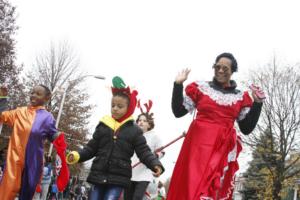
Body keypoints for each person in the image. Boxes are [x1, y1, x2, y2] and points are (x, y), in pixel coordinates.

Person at [167, 53, 264, 200]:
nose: (220, 70)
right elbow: (178, 111)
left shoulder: (240, 97)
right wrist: (178, 85)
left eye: (225, 68)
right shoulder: (201, 88)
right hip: (196, 148)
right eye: (217, 67)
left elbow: (246, 128)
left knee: (212, 189)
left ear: (232, 71)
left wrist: (257, 103)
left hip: (222, 147)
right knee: (191, 186)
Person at [67, 76, 164, 200]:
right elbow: (91, 148)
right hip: (98, 174)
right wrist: (77, 155)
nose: (115, 108)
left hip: (118, 178)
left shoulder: (134, 131)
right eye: (113, 105)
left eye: (120, 106)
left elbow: (144, 151)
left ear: (128, 108)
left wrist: (155, 164)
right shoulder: (103, 125)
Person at [0, 84, 69, 200]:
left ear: (46, 98)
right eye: (32, 92)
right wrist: (2, 98)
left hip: (33, 162)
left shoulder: (47, 118)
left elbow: (53, 135)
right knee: (6, 191)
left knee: (27, 193)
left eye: (38, 94)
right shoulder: (19, 112)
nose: (33, 95)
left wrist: (61, 144)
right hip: (14, 160)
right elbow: (2, 116)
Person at [124, 100, 165, 200]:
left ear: (149, 124)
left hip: (145, 172)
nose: (141, 122)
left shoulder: (154, 136)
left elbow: (162, 152)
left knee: (137, 197)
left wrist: (154, 157)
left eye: (144, 120)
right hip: (131, 170)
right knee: (127, 198)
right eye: (139, 120)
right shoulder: (133, 135)